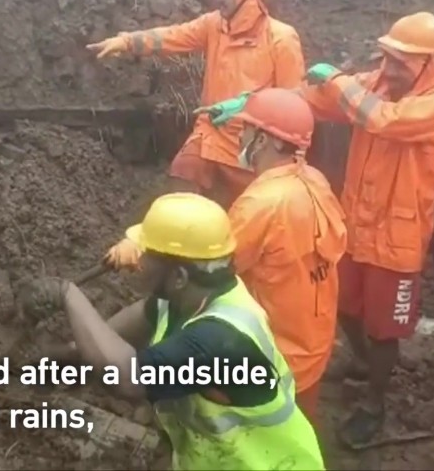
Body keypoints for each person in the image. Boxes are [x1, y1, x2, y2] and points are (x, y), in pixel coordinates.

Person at [23, 193, 325, 470]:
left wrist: (67, 294)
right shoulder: (182, 302)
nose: (138, 261)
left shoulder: (218, 339)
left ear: (179, 277)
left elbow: (127, 377)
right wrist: (44, 363)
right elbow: (102, 343)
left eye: (147, 255)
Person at [300, 11, 434, 446]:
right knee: (342, 304)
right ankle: (360, 360)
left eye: (399, 62)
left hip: (398, 239)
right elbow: (319, 101)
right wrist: (256, 101)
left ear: (427, 63)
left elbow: (385, 120)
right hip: (356, 225)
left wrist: (336, 79)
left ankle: (375, 402)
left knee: (384, 328)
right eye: (386, 57)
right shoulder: (376, 84)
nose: (388, 69)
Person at [87, 0, 305, 211]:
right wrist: (127, 42)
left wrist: (246, 107)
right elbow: (173, 36)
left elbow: (295, 106)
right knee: (183, 176)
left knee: (252, 212)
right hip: (211, 134)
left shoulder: (282, 38)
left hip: (254, 146)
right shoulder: (214, 25)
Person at [225, 88, 348, 425]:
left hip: (273, 356)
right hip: (313, 345)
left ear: (263, 140)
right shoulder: (314, 179)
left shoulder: (261, 203)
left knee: (260, 440)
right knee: (299, 434)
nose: (239, 136)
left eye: (245, 128)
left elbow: (214, 268)